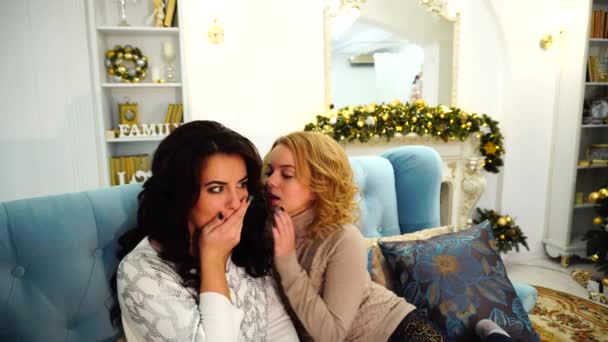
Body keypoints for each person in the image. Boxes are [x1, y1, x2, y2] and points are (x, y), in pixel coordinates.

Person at [265, 131, 514, 342]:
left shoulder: (343, 238)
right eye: (268, 171)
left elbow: (331, 335)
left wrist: (287, 264)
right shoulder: (262, 229)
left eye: (287, 174)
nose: (270, 181)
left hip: (397, 330)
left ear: (320, 184)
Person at [110, 120, 298, 341]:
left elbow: (279, 329)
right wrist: (213, 261)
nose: (236, 202)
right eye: (216, 189)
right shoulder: (140, 272)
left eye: (241, 184)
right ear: (181, 194)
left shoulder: (244, 241)